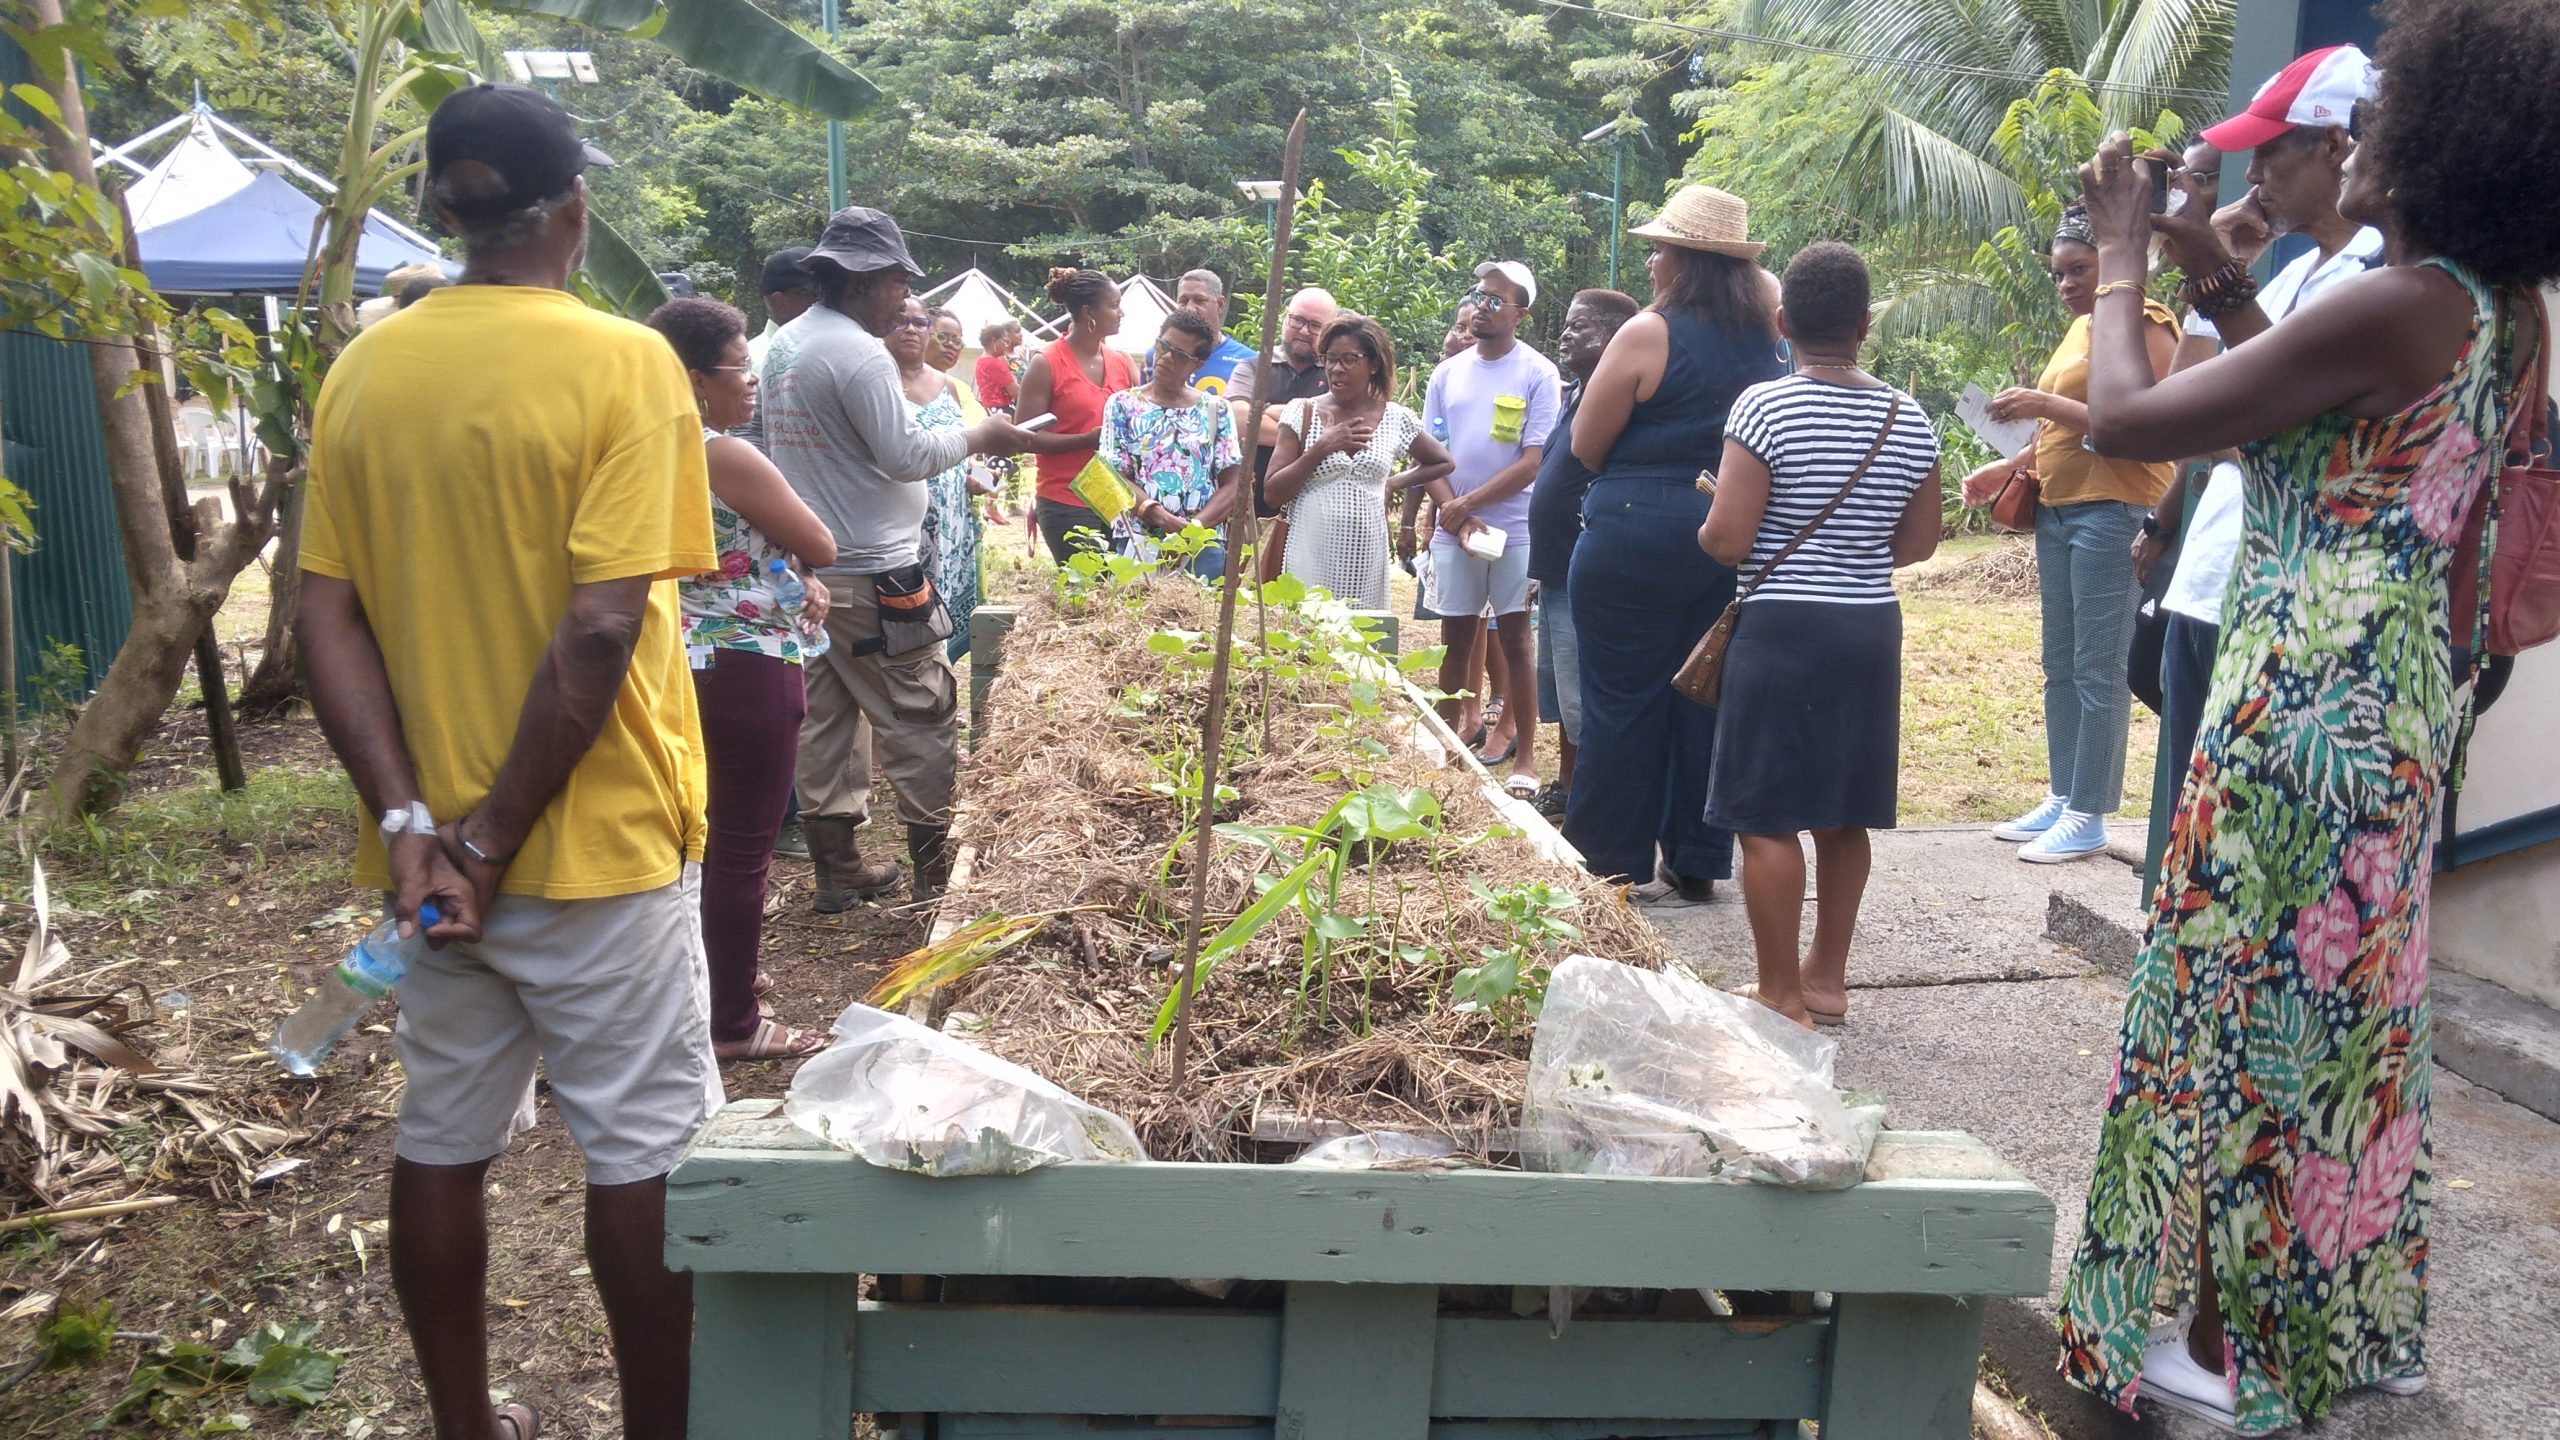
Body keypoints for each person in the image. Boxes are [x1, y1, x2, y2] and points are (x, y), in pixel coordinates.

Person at [2056, 2, 2560, 1430]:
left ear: (2441, 147)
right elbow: (2312, 421)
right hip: (2387, 710)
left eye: (2382, 122)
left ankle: (2225, 1360)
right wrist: (2221, 289)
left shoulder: (2395, 304)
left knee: (2238, 1012)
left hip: (2300, 710)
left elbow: (2130, 423)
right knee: (2320, 1020)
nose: (2359, 140)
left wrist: (2120, 263)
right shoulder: (2490, 311)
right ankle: (2293, 1341)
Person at [296, 83, 718, 1440]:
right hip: (589, 850)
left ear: (441, 213)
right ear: (573, 217)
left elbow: (326, 614)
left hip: (428, 865)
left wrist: (419, 823)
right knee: (641, 1152)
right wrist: (492, 837)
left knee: (443, 1135)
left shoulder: (366, 369)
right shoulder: (625, 364)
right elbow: (602, 624)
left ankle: (463, 1426)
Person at [1695, 243, 1943, 1029]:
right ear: (1865, 325)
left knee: (1765, 813)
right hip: (1868, 627)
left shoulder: (1763, 408)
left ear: (1782, 322)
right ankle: (1826, 981)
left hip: (1782, 627)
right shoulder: (1909, 417)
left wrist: (1708, 527)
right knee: (1843, 812)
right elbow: (1921, 542)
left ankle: (1778, 993)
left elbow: (1728, 540)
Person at [760, 207, 1034, 910]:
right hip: (878, 573)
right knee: (920, 715)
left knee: (825, 718)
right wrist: (981, 437)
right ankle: (933, 880)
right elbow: (907, 456)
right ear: (868, 280)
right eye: (896, 285)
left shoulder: (787, 345)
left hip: (810, 575)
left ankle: (836, 869)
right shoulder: (856, 353)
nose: (902, 300)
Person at [2140, 49, 2385, 783]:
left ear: (2334, 146)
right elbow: (2182, 409)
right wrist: (2224, 274)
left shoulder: (2374, 278)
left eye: (2269, 152)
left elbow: (2253, 433)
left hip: (2282, 605)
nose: (2251, 178)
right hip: (2215, 582)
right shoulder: (2291, 279)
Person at [1566, 185, 1786, 897]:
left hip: (1634, 527)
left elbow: (1586, 444)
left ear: (1687, 263)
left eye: (1660, 250)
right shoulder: (1769, 342)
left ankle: (1612, 858)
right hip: (1726, 533)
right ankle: (1697, 855)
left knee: (1621, 699)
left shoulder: (1649, 334)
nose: (1652, 263)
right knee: (1704, 696)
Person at [646, 297, 839, 1062]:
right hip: (744, 662)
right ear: (695, 379)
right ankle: (732, 1021)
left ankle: (689, 994)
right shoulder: (721, 453)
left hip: (666, 659)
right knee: (739, 848)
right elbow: (817, 539)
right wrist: (796, 563)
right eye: (739, 368)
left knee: (679, 848)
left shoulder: (624, 447)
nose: (752, 381)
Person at [1956, 205, 2179, 862]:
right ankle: (2062, 792)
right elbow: (2059, 428)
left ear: (2115, 264)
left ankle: (2089, 812)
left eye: (2078, 269)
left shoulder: (2148, 323)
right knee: (2059, 663)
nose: (2066, 284)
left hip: (2113, 505)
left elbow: (2151, 422)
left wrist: (2043, 402)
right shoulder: (2082, 328)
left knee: (2097, 666)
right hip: (2057, 505)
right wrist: (2012, 461)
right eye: (2058, 273)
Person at [1423, 261, 1561, 798]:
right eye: (1479, 296)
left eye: (1496, 300)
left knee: (1516, 641)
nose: (1482, 306)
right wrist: (1450, 511)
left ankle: (1526, 759)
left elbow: (1533, 462)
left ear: (1521, 313)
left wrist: (1467, 506)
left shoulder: (1537, 373)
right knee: (1453, 640)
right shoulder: (1446, 374)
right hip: (1454, 530)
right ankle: (1446, 748)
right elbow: (1431, 453)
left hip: (1514, 529)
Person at [1523, 289, 1639, 820]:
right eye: (1567, 325)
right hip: (1553, 568)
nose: (1566, 335)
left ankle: (1597, 806)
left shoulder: (1615, 400)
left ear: (1616, 339)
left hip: (1582, 567)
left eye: (1581, 326)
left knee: (1581, 696)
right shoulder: (1575, 392)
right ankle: (1569, 790)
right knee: (1559, 695)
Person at [1265, 313, 1455, 608]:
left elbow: (1443, 462)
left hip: (1364, 557)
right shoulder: (1302, 412)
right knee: (1308, 641)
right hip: (1310, 551)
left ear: (1373, 364)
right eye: (1330, 359)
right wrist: (1321, 449)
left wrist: (1393, 482)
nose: (1336, 369)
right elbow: (1273, 493)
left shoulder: (1395, 418)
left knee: (1362, 642)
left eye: (1349, 360)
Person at [1098, 308, 1247, 577]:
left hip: (1201, 547)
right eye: (1163, 346)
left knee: (1202, 617)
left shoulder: (1215, 410)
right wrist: (1158, 516)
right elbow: (1112, 475)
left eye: (1179, 355)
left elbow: (1233, 484)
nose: (1165, 358)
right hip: (1138, 540)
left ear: (1197, 365)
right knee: (1135, 616)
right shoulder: (1123, 405)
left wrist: (1191, 532)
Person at [891, 298, 984, 662]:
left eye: (921, 323)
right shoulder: (879, 383)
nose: (950, 346)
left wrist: (979, 475)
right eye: (943, 336)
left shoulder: (954, 388)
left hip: (951, 530)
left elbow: (977, 448)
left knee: (942, 635)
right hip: (906, 534)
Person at [1018, 267, 1132, 561]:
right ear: (1087, 312)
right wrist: (1085, 440)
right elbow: (1023, 437)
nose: (1122, 313)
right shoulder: (1047, 363)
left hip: (1114, 498)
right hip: (1064, 498)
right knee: (1086, 593)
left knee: (1118, 594)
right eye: (1114, 305)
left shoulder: (1120, 362)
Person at [1229, 286, 1339, 578]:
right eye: (1297, 320)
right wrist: (1308, 433)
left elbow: (1341, 433)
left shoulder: (1337, 375)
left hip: (1314, 514)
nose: (1303, 330)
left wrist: (1269, 412)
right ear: (1284, 319)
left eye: (1315, 325)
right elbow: (1239, 422)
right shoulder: (1253, 367)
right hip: (1250, 511)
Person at [1147, 268, 1256, 395]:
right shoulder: (1155, 356)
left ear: (1220, 305)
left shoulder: (1249, 361)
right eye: (1183, 301)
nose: (1190, 308)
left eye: (1199, 300)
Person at [974, 320, 1020, 414]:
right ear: (993, 340)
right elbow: (1016, 392)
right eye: (1004, 340)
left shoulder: (980, 361)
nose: (1006, 345)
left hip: (989, 410)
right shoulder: (994, 363)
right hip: (1003, 411)